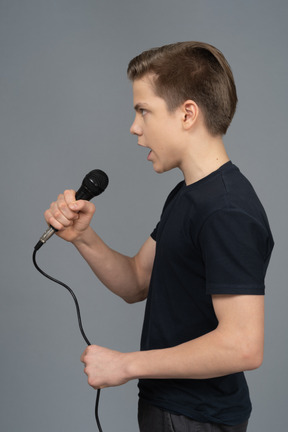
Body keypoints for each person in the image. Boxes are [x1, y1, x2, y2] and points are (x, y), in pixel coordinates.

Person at [44, 42, 274, 432]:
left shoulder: (226, 210)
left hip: (195, 419)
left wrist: (126, 364)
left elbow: (243, 346)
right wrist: (82, 237)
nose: (135, 126)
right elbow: (136, 281)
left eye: (143, 110)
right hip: (170, 410)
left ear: (187, 114)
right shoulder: (189, 194)